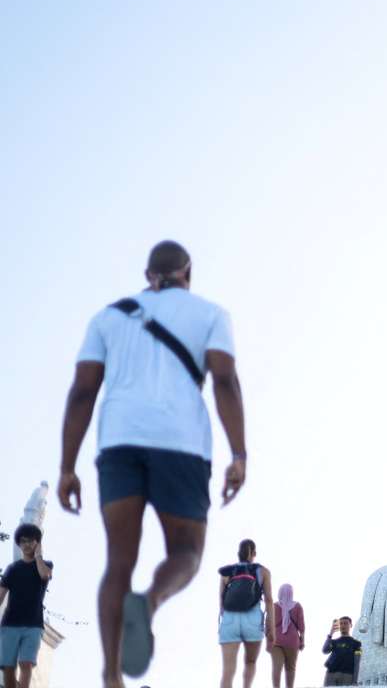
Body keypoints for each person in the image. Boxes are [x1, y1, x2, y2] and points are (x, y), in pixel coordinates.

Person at [56, 240, 246, 687]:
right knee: (187, 551)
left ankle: (110, 675)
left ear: (148, 276)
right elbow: (225, 380)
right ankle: (152, 600)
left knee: (118, 559)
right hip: (181, 445)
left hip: (119, 441)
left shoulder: (106, 318)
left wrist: (67, 466)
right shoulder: (211, 315)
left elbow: (83, 390)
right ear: (188, 273)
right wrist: (239, 454)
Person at [0, 525, 53, 688]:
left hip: (33, 624)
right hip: (10, 624)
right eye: (23, 541)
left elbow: (45, 575)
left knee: (26, 664)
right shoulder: (13, 569)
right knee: (8, 666)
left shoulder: (46, 565)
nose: (26, 544)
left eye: (30, 540)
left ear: (37, 543)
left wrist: (38, 556)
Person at [218, 539, 274, 688]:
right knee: (250, 662)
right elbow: (269, 601)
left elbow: (222, 602)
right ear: (254, 553)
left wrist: (225, 622)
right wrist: (271, 631)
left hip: (230, 619)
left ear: (238, 554)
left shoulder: (227, 572)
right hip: (252, 619)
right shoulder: (263, 571)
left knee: (228, 670)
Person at [268, 583, 305, 688]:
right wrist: (302, 641)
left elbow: (269, 625)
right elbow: (301, 627)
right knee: (290, 668)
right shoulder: (297, 606)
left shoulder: (274, 606)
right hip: (293, 642)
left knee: (277, 667)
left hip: (277, 641)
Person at [321, 616, 362, 686]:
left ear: (350, 625)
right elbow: (325, 650)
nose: (343, 625)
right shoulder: (334, 642)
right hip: (331, 674)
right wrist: (330, 634)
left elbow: (357, 663)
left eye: (345, 623)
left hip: (347, 675)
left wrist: (355, 681)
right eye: (341, 623)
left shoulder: (357, 644)